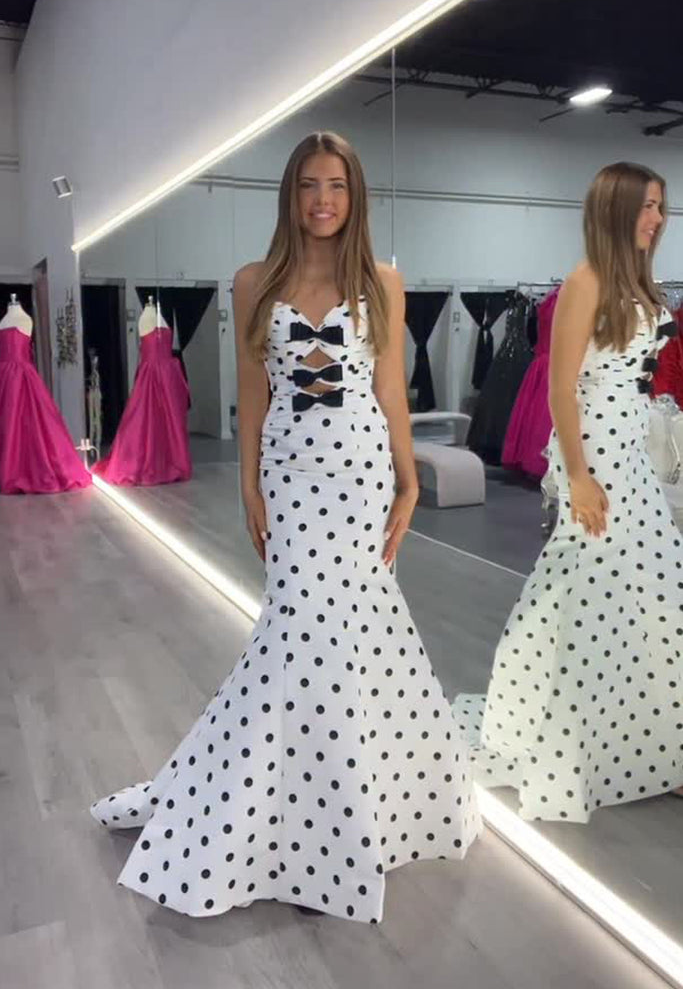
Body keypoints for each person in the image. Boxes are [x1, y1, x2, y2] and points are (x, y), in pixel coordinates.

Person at [90, 131, 480, 922]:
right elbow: (254, 392)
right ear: (290, 194)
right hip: (293, 482)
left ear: (354, 194)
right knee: (300, 631)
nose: (322, 200)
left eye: (335, 185)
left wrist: (408, 477)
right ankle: (295, 823)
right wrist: (248, 484)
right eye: (308, 185)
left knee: (352, 634)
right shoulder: (253, 282)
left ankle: (337, 826)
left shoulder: (381, 282)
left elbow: (390, 392)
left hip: (362, 476)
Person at [454, 161, 683, 823]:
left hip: (631, 452)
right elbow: (560, 388)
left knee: (645, 589)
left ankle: (650, 738)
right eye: (645, 205)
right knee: (591, 588)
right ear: (615, 209)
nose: (656, 218)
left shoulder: (638, 284)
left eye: (660, 206)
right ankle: (581, 738)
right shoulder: (586, 281)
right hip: (597, 455)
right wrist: (578, 475)